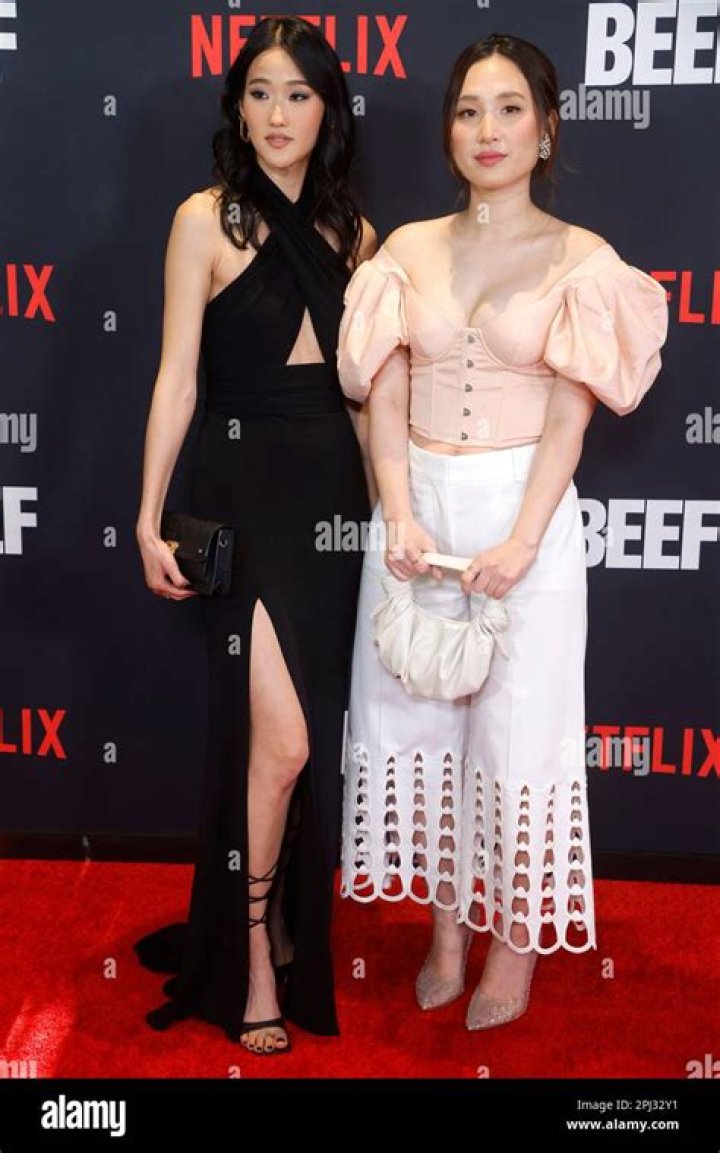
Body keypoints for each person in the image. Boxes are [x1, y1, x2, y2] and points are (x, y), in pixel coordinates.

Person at [336, 33, 668, 1031]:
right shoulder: (406, 251)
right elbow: (383, 389)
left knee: (519, 738)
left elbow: (570, 415)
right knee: (424, 732)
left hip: (525, 515)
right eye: (469, 110)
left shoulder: (583, 261)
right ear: (450, 130)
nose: (488, 130)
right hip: (417, 513)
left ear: (547, 129)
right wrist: (398, 510)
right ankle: (446, 932)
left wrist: (522, 541)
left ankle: (513, 942)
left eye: (510, 109)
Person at [134, 15, 375, 1055]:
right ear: (237, 108)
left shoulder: (356, 237)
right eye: (261, 92)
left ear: (329, 112)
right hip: (242, 489)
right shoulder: (204, 220)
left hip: (334, 507)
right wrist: (147, 514)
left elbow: (363, 400)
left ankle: (276, 925)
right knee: (281, 744)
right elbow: (178, 379)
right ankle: (249, 960)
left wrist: (390, 517)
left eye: (299, 94)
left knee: (303, 743)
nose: (278, 114)